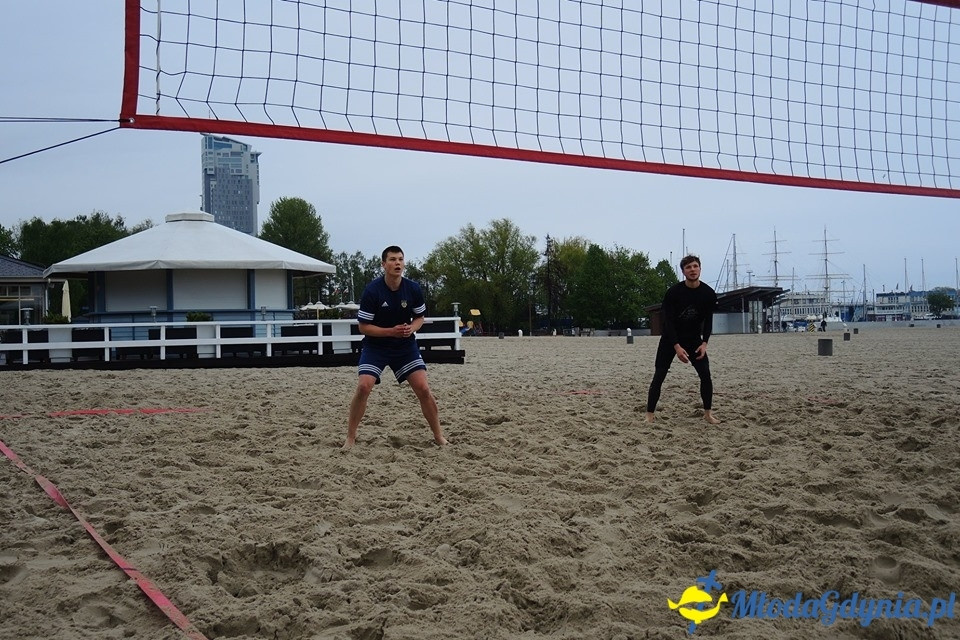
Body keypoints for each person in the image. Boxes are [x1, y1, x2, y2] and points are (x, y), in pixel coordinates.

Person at [343, 246, 448, 449]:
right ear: (384, 264)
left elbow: (419, 318)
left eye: (400, 259)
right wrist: (391, 331)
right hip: (376, 346)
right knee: (363, 387)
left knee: (423, 389)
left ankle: (438, 436)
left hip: (404, 347)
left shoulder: (413, 289)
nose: (397, 263)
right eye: (392, 259)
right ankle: (350, 437)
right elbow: (363, 327)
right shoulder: (372, 290)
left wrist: (411, 329)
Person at [645, 255, 720, 425]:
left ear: (700, 268)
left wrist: (704, 343)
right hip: (670, 339)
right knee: (659, 375)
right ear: (683, 271)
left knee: (705, 375)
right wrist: (676, 347)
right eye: (688, 267)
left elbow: (708, 321)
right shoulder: (674, 292)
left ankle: (708, 414)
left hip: (694, 339)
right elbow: (668, 322)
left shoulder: (708, 293)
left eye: (695, 266)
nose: (692, 270)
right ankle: (649, 414)